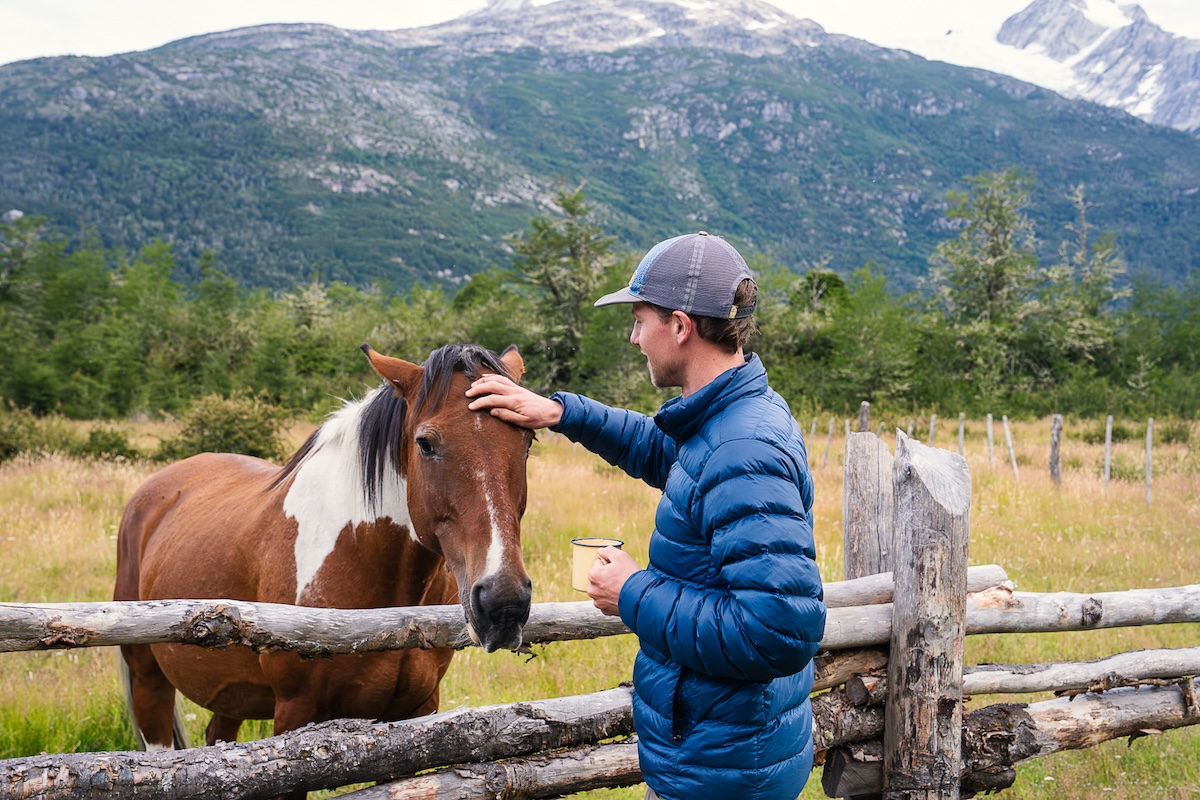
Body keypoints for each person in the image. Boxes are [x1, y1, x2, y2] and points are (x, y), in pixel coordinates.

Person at [466, 231, 826, 800]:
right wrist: (561, 412)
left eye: (639, 320)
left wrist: (633, 591)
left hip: (724, 775)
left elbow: (778, 632)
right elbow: (668, 454)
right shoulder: (728, 419)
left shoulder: (742, 448)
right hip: (719, 753)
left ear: (680, 326)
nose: (634, 338)